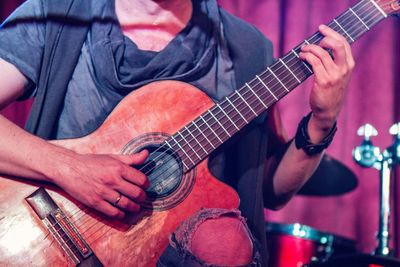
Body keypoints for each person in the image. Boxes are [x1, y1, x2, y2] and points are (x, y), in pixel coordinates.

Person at [0, 0, 354, 266]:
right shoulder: (58, 15)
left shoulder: (244, 49)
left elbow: (267, 191)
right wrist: (70, 168)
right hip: (47, 233)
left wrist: (322, 121)